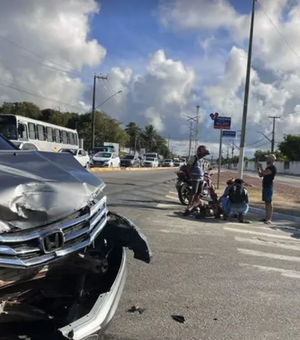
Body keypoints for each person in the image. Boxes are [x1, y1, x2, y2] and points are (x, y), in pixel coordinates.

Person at [183, 145, 210, 216]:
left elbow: (203, 169)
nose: (204, 155)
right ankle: (189, 205)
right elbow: (188, 167)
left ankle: (194, 205)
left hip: (201, 178)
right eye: (203, 154)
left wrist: (205, 175)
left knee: (199, 193)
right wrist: (190, 175)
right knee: (194, 192)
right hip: (195, 178)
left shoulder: (202, 160)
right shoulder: (193, 158)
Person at [257, 154, 277, 224]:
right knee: (266, 202)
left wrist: (261, 167)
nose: (267, 160)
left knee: (269, 202)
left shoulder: (272, 168)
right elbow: (260, 175)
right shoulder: (268, 168)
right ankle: (266, 218)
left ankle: (269, 218)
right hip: (265, 186)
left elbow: (263, 172)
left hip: (269, 187)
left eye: (268, 158)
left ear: (271, 160)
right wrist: (258, 169)